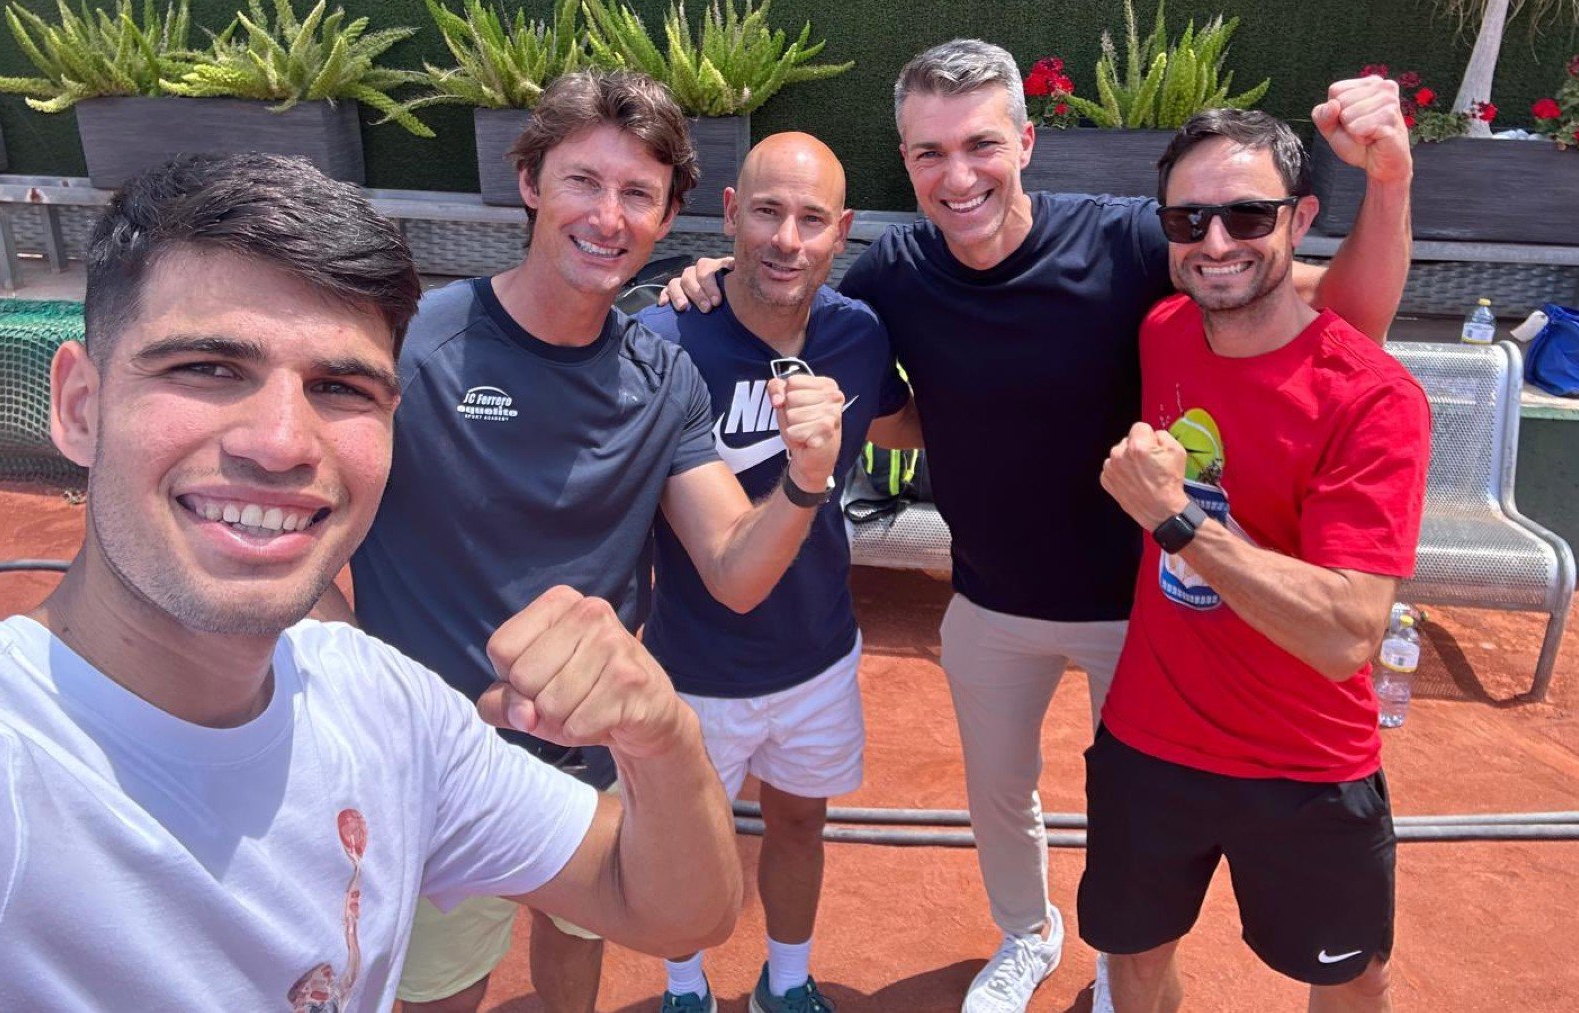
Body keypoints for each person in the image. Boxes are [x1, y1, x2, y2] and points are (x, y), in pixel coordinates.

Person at [661, 38, 1414, 1013]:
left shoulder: (1132, 242)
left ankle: (1117, 963)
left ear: (1024, 141)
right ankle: (1028, 932)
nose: (957, 174)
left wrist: (1391, 182)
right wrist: (720, 273)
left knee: (1131, 814)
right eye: (929, 153)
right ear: (907, 161)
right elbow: (867, 375)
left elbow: (1337, 330)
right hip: (988, 596)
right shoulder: (895, 272)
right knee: (1000, 797)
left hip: (1142, 610)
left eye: (979, 144)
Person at [0, 152, 742, 1011]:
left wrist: (664, 741)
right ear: (80, 405)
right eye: (207, 367)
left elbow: (671, 906)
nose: (280, 441)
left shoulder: (389, 707)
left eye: (338, 386)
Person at [340, 71, 844, 1013]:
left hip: (588, 768)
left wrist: (806, 476)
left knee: (575, 971)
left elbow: (736, 570)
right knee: (436, 996)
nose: (607, 217)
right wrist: (383, 702)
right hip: (437, 774)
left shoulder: (664, 379)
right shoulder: (411, 347)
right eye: (583, 182)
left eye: (637, 195)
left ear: (669, 216)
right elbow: (312, 557)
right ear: (531, 182)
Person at [1083, 110, 1430, 1013]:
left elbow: (1349, 632)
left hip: (1308, 761)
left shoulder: (1374, 399)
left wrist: (1178, 523)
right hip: (1151, 738)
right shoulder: (1165, 330)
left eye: (1247, 216)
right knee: (1136, 954)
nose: (1215, 242)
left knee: (1348, 980)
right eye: (1188, 220)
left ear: (1300, 218)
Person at [635, 132, 914, 1013]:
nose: (787, 239)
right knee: (681, 843)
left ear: (843, 232)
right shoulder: (664, 335)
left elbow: (906, 426)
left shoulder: (858, 337)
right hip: (692, 662)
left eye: (810, 218)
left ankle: (785, 983)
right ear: (728, 214)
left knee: (800, 821)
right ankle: (685, 987)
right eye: (766, 212)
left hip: (817, 652)